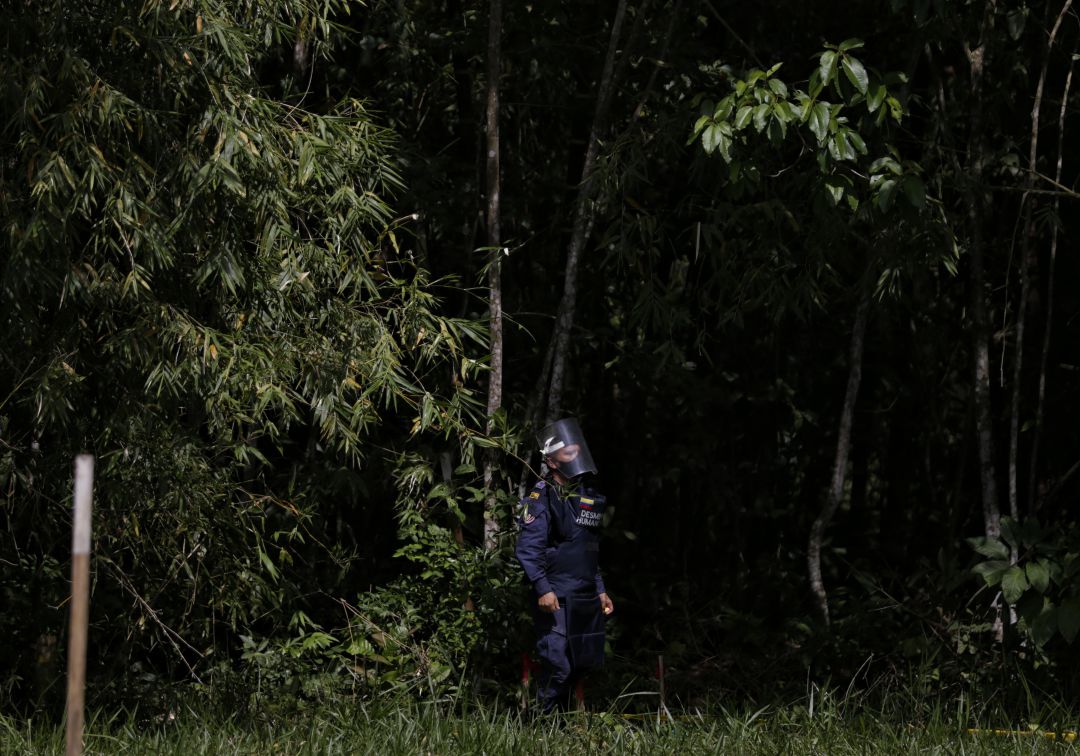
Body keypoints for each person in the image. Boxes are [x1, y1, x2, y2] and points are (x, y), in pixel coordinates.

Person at [515, 417, 614, 714]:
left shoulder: (585, 496)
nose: (576, 456)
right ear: (552, 461)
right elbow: (528, 550)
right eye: (569, 453)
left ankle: (562, 726)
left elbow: (587, 550)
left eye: (577, 449)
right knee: (558, 664)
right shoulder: (542, 497)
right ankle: (537, 724)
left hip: (584, 595)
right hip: (556, 598)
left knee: (580, 664)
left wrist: (600, 590)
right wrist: (543, 589)